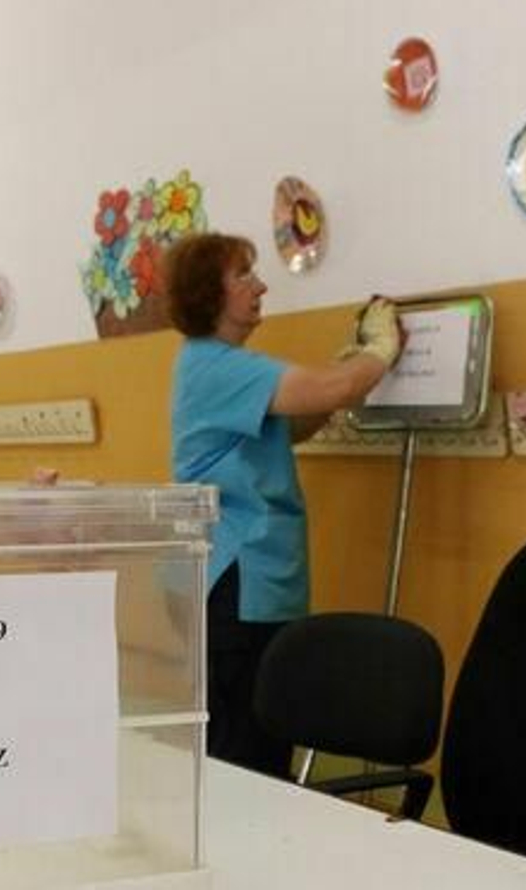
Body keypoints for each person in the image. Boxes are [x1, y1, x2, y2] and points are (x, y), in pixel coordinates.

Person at [164, 232, 402, 780]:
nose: (261, 285)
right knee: (248, 756)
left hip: (242, 582)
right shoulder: (215, 365)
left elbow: (293, 422)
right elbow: (331, 389)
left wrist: (348, 370)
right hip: (234, 583)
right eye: (243, 275)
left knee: (254, 743)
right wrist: (377, 353)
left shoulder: (218, 366)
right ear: (209, 294)